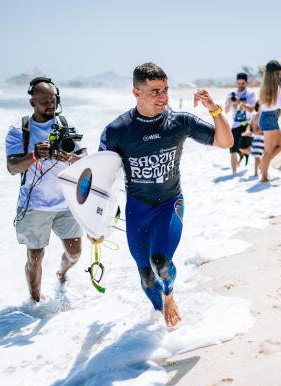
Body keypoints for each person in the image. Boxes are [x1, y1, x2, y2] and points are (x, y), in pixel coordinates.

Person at [97, 63, 233, 327]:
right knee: (146, 275)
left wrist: (213, 108)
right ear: (136, 93)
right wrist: (95, 223)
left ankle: (170, 295)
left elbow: (225, 141)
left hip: (169, 204)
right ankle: (160, 311)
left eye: (166, 90)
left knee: (160, 262)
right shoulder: (117, 131)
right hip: (137, 209)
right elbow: (101, 180)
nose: (163, 97)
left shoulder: (180, 122)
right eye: (155, 91)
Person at [5, 77, 87, 302]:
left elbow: (84, 158)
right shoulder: (19, 130)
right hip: (34, 204)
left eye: (53, 101)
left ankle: (62, 273)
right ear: (33, 103)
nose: (50, 106)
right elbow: (12, 167)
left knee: (75, 253)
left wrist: (69, 157)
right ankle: (35, 302)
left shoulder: (66, 124)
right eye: (44, 102)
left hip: (65, 202)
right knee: (35, 257)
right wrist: (34, 155)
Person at [258, 60, 281, 182]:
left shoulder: (264, 86)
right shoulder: (277, 88)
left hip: (267, 118)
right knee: (268, 152)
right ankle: (264, 177)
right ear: (275, 73)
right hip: (270, 118)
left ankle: (264, 164)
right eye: (280, 70)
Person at [224, 72, 257, 173]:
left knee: (242, 147)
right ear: (236, 82)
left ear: (246, 82)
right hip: (235, 124)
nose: (240, 85)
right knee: (232, 149)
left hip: (247, 124)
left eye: (243, 83)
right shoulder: (231, 94)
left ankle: (259, 159)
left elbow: (251, 109)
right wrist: (229, 103)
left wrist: (240, 102)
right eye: (239, 83)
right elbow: (226, 110)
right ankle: (234, 173)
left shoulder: (250, 93)